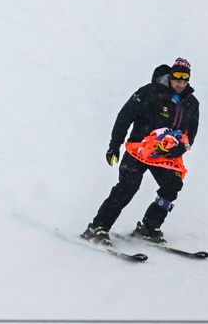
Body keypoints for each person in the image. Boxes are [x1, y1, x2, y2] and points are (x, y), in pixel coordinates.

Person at [81, 58, 201, 246]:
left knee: (173, 185)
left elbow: (190, 134)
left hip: (163, 155)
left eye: (184, 79)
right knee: (128, 187)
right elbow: (125, 116)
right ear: (170, 76)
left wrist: (180, 148)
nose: (180, 82)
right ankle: (97, 228)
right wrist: (115, 144)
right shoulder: (149, 92)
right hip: (139, 150)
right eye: (176, 77)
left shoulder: (191, 103)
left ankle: (149, 227)